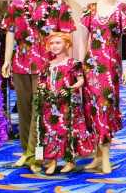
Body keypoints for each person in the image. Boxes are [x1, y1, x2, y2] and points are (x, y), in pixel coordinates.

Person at [1, 0, 74, 168]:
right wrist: (7, 60)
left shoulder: (58, 3)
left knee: (40, 110)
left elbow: (67, 36)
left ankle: (37, 154)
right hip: (21, 63)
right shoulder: (17, 3)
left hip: (47, 65)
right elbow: (10, 32)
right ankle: (26, 151)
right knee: (24, 110)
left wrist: (67, 65)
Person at [68, 0, 126, 174]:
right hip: (91, 65)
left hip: (110, 66)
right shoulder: (90, 9)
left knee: (105, 108)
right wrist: (79, 67)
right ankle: (97, 156)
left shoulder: (124, 9)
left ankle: (106, 156)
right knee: (91, 109)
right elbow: (82, 40)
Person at [34, 32, 95, 175]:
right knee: (50, 130)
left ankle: (70, 161)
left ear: (67, 44)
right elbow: (42, 81)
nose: (54, 46)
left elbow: (81, 80)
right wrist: (42, 87)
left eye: (58, 43)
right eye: (52, 43)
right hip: (50, 104)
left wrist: (71, 88)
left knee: (68, 130)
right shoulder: (48, 64)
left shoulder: (73, 63)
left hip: (67, 104)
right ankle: (52, 161)